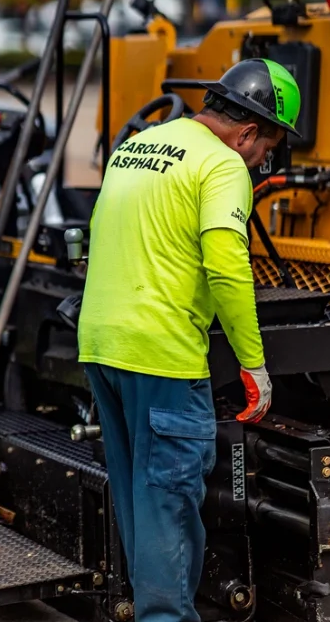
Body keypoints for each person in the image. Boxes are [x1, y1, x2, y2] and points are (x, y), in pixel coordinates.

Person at [78, 58, 301, 622]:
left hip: (102, 343)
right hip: (162, 355)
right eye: (266, 148)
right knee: (169, 504)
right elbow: (228, 269)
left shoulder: (140, 145)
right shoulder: (223, 165)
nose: (261, 162)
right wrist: (254, 365)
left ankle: (150, 607)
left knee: (138, 500)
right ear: (249, 132)